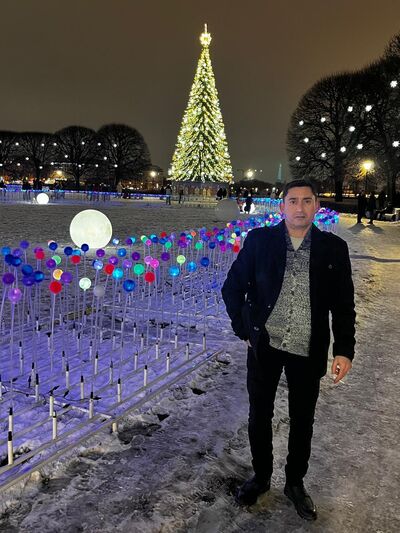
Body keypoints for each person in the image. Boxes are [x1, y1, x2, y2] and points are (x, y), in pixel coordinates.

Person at [222, 179, 355, 521]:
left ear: (316, 206)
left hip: (307, 348)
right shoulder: (260, 241)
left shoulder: (333, 248)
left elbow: (343, 305)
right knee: (259, 415)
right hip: (266, 345)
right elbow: (232, 288)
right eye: (293, 201)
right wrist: (244, 330)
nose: (299, 207)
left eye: (307, 201)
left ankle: (295, 482)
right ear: (282, 207)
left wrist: (344, 350)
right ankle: (261, 476)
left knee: (302, 419)